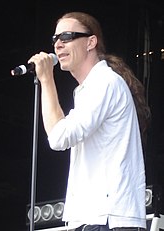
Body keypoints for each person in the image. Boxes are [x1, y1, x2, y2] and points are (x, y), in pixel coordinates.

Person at [28, 11, 151, 231]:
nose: (58, 45)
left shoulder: (104, 82)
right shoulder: (88, 89)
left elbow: (59, 138)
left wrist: (47, 79)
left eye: (66, 36)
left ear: (90, 42)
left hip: (108, 219)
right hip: (94, 217)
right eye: (55, 39)